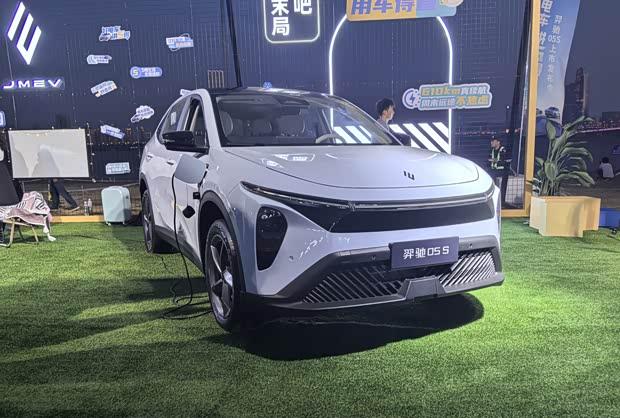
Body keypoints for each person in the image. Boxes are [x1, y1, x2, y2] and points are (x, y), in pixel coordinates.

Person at [489, 136, 509, 206]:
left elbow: (504, 160)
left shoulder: (503, 150)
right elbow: (488, 160)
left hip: (501, 172)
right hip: (493, 171)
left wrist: (494, 160)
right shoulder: (491, 151)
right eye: (491, 141)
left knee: (500, 188)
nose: (491, 142)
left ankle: (501, 202)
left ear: (498, 142)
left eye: (493, 141)